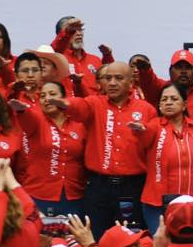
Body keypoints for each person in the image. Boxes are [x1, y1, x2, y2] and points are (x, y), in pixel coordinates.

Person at [51, 61, 155, 236]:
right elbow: (79, 107)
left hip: (132, 186)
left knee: (130, 237)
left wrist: (145, 132)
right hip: (99, 186)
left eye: (118, 78)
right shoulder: (95, 104)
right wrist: (65, 104)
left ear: (131, 82)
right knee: (97, 235)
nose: (112, 83)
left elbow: (152, 142)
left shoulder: (146, 109)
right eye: (108, 78)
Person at [132, 82, 193, 234]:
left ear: (184, 105)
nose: (168, 102)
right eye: (164, 99)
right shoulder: (154, 127)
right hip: (159, 205)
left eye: (174, 99)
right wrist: (140, 130)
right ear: (159, 106)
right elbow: (145, 136)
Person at [18, 80, 88, 218]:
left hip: (74, 196)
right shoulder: (36, 120)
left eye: (52, 94)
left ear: (64, 98)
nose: (47, 99)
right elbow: (25, 116)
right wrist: (20, 110)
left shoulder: (79, 124)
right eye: (42, 96)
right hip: (39, 195)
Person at [49, 16, 103, 89]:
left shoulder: (95, 60)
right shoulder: (57, 58)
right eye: (72, 30)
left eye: (80, 29)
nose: (78, 33)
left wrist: (108, 57)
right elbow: (56, 47)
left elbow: (107, 85)